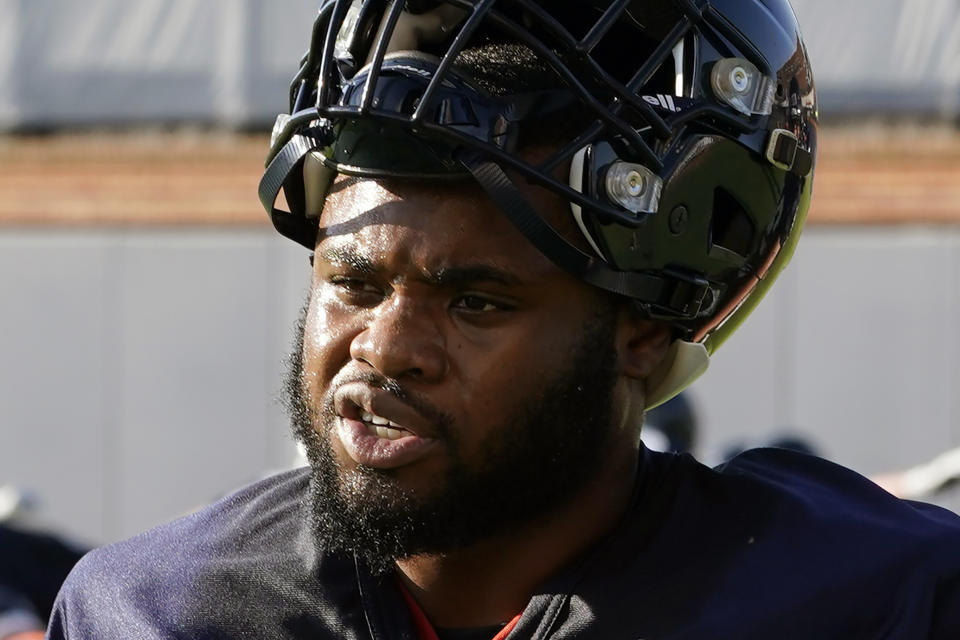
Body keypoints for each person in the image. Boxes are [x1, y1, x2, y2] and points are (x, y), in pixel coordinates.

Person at [48, 1, 960, 638]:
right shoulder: (151, 612)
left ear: (643, 329)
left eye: (476, 302)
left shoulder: (878, 599)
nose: (386, 349)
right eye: (354, 284)